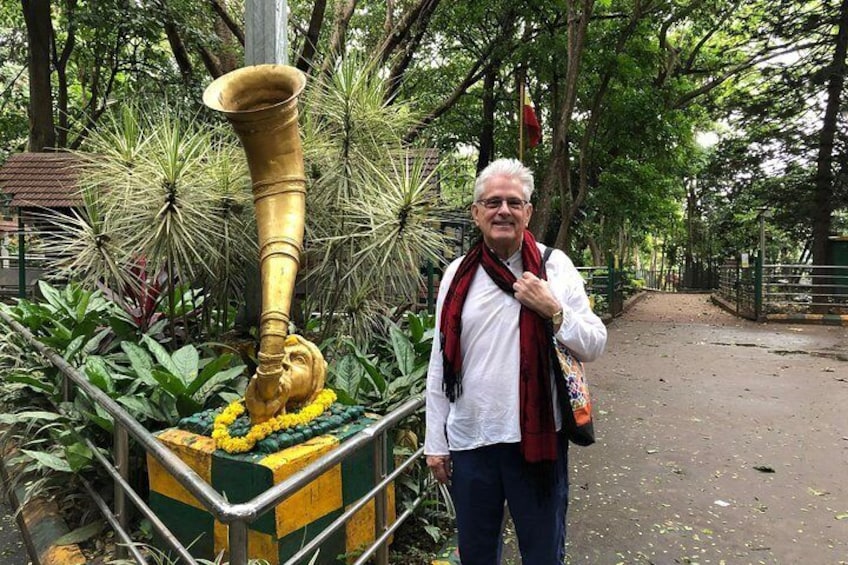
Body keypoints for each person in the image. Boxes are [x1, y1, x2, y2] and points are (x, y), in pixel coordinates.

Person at [424, 158, 607, 564]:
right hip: (472, 441)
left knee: (543, 553)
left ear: (528, 211)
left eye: (513, 202)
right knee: (476, 554)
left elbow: (595, 343)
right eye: (492, 202)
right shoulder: (456, 275)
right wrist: (435, 443)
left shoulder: (554, 266)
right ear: (476, 213)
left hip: (538, 442)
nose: (502, 210)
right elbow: (440, 364)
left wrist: (553, 310)